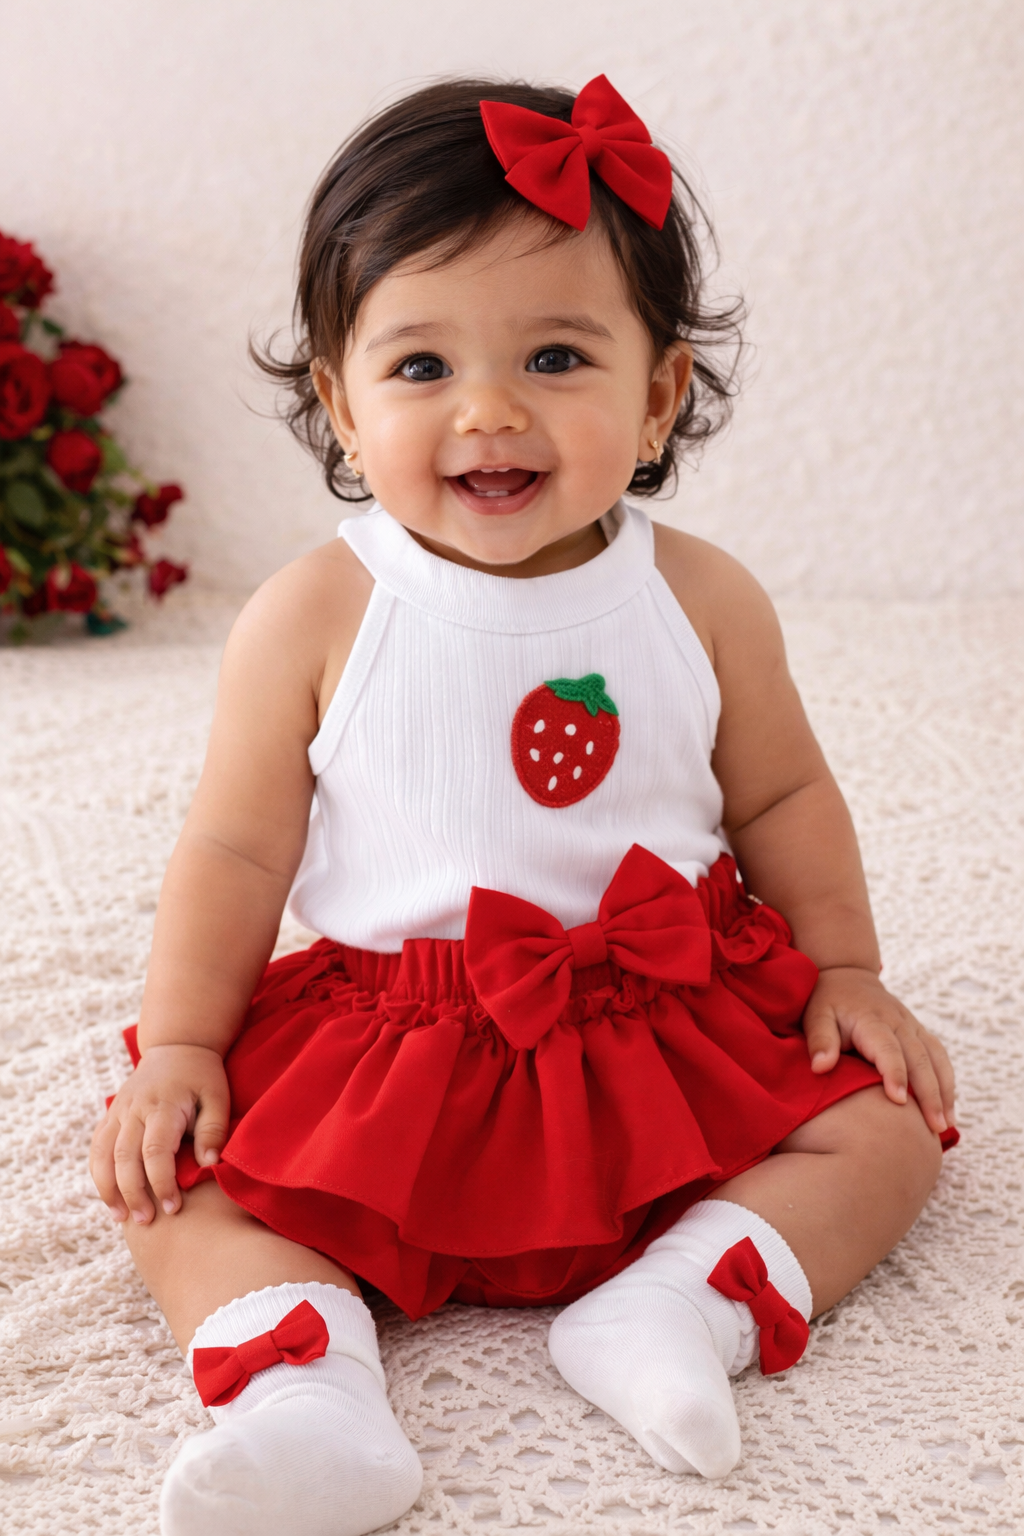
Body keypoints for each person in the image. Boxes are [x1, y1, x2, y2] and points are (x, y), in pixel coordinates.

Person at [90, 75, 958, 1536]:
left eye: (557, 355)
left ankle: (675, 1307)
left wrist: (850, 969)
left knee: (890, 1130)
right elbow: (235, 847)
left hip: (661, 1028)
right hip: (398, 1050)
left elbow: (784, 791)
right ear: (341, 403)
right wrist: (180, 1043)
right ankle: (308, 1395)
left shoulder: (701, 598)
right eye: (422, 365)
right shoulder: (314, 614)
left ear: (660, 393)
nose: (488, 410)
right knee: (177, 1183)